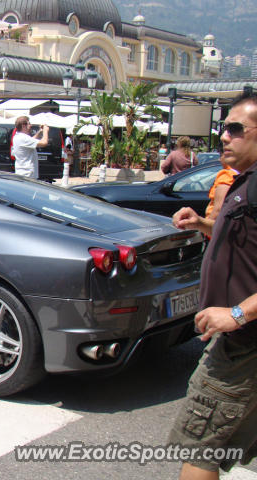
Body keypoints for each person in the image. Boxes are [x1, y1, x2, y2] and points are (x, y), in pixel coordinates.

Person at [168, 91, 257, 479]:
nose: (224, 136)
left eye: (235, 129)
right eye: (224, 126)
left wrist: (237, 314)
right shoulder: (245, 182)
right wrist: (203, 225)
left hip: (243, 346)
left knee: (198, 447)